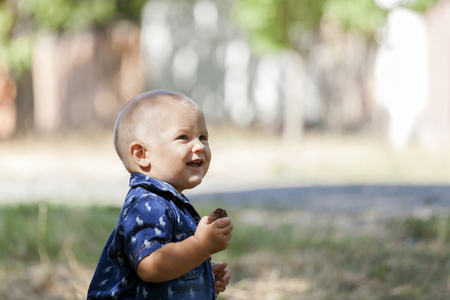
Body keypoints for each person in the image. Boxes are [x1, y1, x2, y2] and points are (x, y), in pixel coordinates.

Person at [87, 90, 233, 299]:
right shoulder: (147, 205)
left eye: (203, 137)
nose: (199, 145)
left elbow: (166, 266)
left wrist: (200, 273)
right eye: (183, 137)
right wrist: (201, 247)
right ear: (142, 154)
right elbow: (152, 265)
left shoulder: (168, 202)